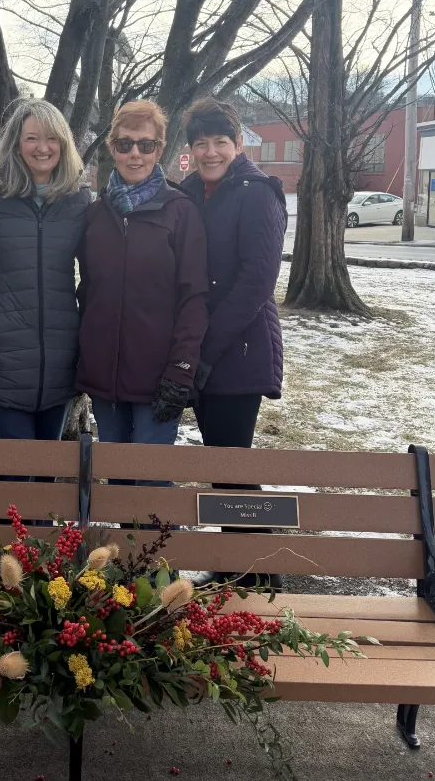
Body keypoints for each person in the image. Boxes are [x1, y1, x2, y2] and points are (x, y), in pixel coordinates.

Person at [179, 96, 287, 586]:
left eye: (220, 141)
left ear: (238, 144)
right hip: (204, 350)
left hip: (238, 353)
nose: (211, 151)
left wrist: (205, 348)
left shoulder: (257, 193)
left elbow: (256, 281)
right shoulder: (189, 193)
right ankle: (243, 564)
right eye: (201, 143)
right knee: (221, 460)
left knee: (231, 461)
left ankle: (258, 570)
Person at [76, 100, 208, 489]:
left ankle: (157, 553)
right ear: (112, 148)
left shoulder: (180, 212)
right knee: (117, 486)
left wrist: (182, 370)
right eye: (125, 144)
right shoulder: (96, 214)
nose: (135, 153)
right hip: (105, 377)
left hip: (159, 376)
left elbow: (195, 298)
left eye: (146, 145)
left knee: (149, 488)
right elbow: (88, 289)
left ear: (160, 149)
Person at [0, 99, 90, 451]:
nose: (42, 148)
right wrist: (0, 311)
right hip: (3, 356)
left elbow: (96, 274)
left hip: (60, 356)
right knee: (15, 471)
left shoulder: (77, 200)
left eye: (52, 138)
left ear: (63, 145)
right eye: (32, 138)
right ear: (16, 145)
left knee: (48, 470)